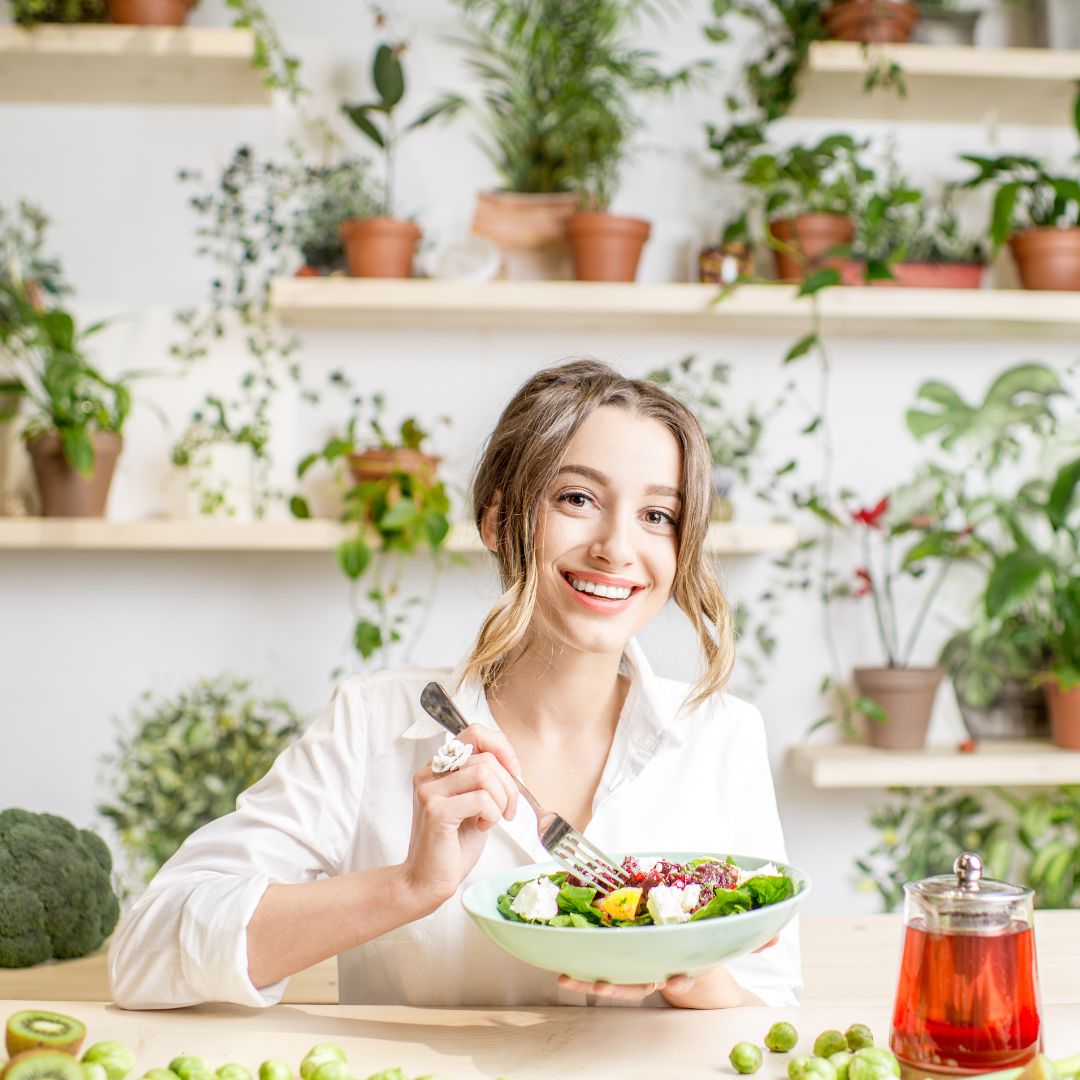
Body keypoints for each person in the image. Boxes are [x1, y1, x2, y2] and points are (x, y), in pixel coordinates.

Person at [108, 359, 801, 1010]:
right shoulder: (373, 722)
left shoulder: (722, 734)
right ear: (500, 523)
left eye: (658, 515)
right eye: (578, 498)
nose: (617, 547)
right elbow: (147, 950)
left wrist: (692, 964)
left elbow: (770, 1009)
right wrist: (407, 888)